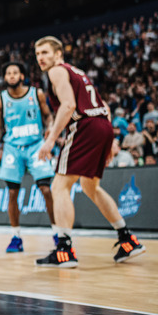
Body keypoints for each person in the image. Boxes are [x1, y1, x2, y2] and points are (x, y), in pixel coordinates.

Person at [33, 36, 146, 267]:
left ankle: (64, 250)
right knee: (89, 186)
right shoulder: (78, 72)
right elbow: (103, 107)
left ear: (58, 54)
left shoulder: (56, 71)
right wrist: (111, 139)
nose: (41, 58)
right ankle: (127, 239)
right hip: (102, 125)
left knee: (59, 185)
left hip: (85, 126)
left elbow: (69, 106)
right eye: (37, 54)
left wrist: (51, 140)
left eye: (45, 52)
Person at [0, 62, 57, 253]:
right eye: (8, 73)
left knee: (45, 190)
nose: (11, 75)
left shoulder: (37, 94)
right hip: (12, 148)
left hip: (35, 146)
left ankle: (57, 232)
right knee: (12, 194)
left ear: (22, 76)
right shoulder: (0, 100)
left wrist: (50, 129)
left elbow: (48, 116)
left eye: (15, 72)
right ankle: (16, 237)